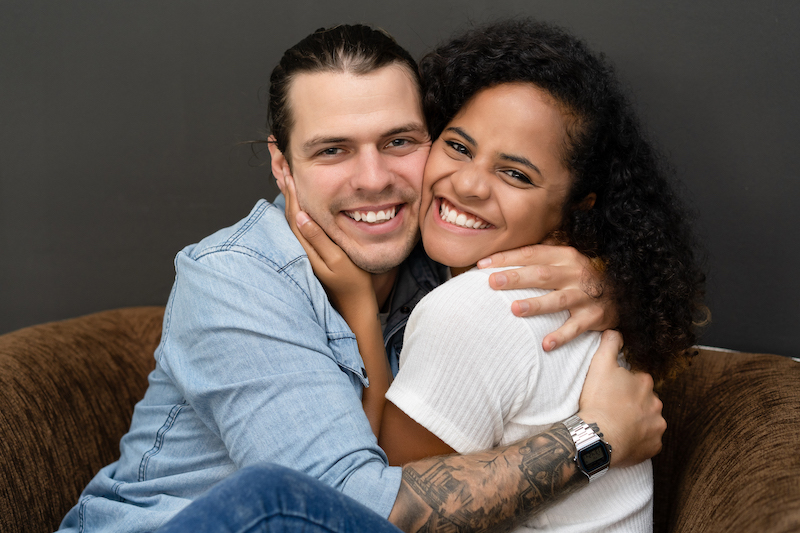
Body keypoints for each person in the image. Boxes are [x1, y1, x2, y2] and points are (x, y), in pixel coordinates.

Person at [58, 24, 664, 533]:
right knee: (273, 498)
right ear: (281, 165)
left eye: (399, 141)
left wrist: (603, 275)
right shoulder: (234, 279)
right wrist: (596, 437)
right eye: (332, 151)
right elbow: (353, 509)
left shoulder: (450, 256)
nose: (373, 179)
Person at [284, 20, 706, 531]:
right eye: (458, 146)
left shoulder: (476, 310)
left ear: (577, 206)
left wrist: (361, 318)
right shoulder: (558, 289)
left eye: (515, 174)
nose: (467, 184)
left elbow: (372, 517)